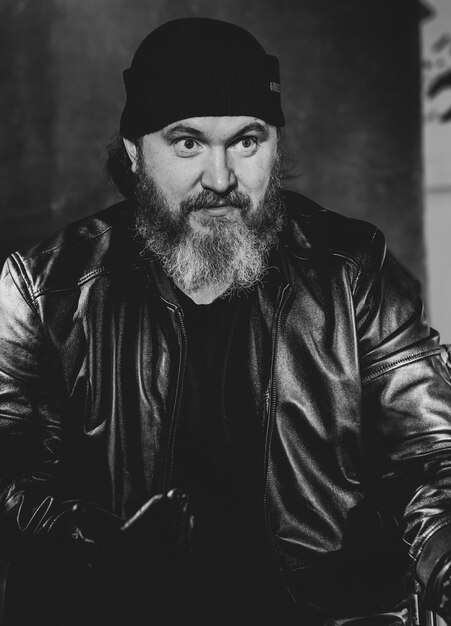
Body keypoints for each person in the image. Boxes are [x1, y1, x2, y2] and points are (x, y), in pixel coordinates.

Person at [0, 16, 451, 626]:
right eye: (188, 143)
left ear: (274, 146)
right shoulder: (45, 287)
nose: (221, 180)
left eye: (247, 141)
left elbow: (430, 456)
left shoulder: (353, 270)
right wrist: (94, 543)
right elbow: (11, 469)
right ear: (135, 154)